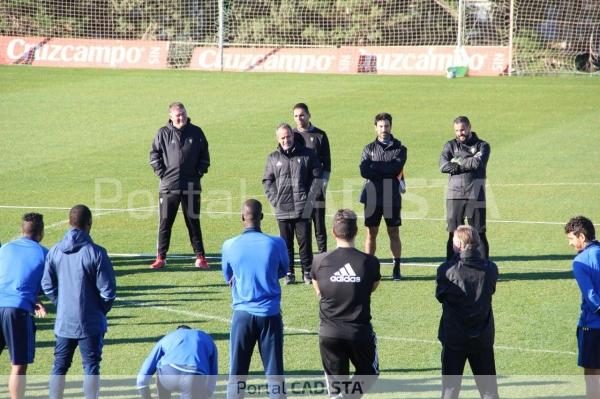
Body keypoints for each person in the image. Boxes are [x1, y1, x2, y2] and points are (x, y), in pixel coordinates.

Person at [42, 204, 117, 399]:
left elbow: (47, 285)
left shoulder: (55, 251)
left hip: (64, 321)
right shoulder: (97, 253)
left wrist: (62, 304)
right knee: (91, 367)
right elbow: (108, 292)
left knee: (59, 366)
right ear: (89, 223)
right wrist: (99, 310)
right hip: (90, 323)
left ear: (69, 222)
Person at [221, 199, 288, 399]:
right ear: (261, 217)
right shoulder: (276, 243)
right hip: (270, 314)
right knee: (275, 374)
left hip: (242, 315)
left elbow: (228, 276)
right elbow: (283, 270)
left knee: (237, 374)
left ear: (242, 217)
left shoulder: (229, 245)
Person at [310, 209, 380, 399]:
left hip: (329, 333)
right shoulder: (370, 262)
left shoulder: (319, 261)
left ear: (333, 232)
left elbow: (319, 291)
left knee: (336, 389)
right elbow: (371, 288)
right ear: (356, 231)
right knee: (370, 373)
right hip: (359, 332)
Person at [436, 225, 499, 399]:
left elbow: (440, 296)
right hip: (482, 337)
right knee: (489, 391)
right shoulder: (491, 269)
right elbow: (490, 291)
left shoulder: (446, 270)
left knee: (450, 391)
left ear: (459, 245)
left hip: (454, 338)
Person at [149, 101, 211, 269]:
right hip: (168, 188)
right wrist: (162, 173)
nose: (181, 117)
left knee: (193, 222)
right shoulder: (163, 133)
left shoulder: (196, 132)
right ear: (171, 117)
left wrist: (198, 173)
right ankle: (161, 257)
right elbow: (154, 155)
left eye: (183, 114)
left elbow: (205, 156)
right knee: (165, 223)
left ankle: (200, 256)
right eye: (178, 115)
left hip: (191, 187)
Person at [263, 122, 321, 285]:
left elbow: (317, 178)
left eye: (288, 136)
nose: (286, 140)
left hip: (303, 207)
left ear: (293, 136)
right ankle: (289, 272)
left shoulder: (308, 155)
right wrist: (276, 201)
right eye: (282, 137)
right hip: (283, 209)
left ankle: (307, 272)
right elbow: (267, 182)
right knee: (285, 244)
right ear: (277, 138)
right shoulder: (273, 158)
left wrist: (309, 201)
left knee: (305, 243)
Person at [0, 213, 48, 399]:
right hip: (17, 309)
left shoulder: (5, 248)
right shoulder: (44, 254)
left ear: (22, 230)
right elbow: (47, 284)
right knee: (18, 365)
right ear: (41, 233)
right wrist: (35, 299)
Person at [359, 112, 407, 281]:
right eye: (381, 126)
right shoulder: (368, 149)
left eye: (386, 126)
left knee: (394, 231)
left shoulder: (400, 148)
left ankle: (396, 267)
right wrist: (387, 168)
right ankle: (369, 267)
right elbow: (364, 171)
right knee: (371, 232)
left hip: (391, 195)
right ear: (375, 128)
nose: (384, 129)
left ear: (391, 126)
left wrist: (376, 167)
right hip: (371, 195)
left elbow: (396, 168)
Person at [439, 116, 490, 261]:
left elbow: (478, 163)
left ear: (469, 127)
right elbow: (443, 166)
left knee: (479, 233)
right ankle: (450, 267)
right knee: (453, 233)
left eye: (462, 129)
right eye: (457, 131)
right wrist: (467, 161)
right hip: (454, 195)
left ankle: (484, 266)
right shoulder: (450, 145)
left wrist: (456, 162)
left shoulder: (482, 145)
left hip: (475, 193)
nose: (460, 133)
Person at [564, 216, 600, 399]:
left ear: (581, 237)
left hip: (592, 326)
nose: (570, 243)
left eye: (571, 238)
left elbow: (592, 296)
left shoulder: (580, 261)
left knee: (592, 373)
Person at [136, 325, 218, 399]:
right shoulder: (206, 338)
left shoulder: (167, 338)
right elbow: (212, 380)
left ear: (177, 331)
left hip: (168, 375)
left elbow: (142, 379)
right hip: (194, 377)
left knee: (160, 367)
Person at [292, 103, 331, 254]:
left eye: (302, 115)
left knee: (320, 225)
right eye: (296, 116)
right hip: (300, 188)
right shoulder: (292, 135)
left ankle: (323, 255)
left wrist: (323, 185)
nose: (299, 118)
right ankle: (307, 259)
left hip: (316, 187)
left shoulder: (320, 135)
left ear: (309, 115)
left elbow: (327, 163)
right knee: (304, 226)